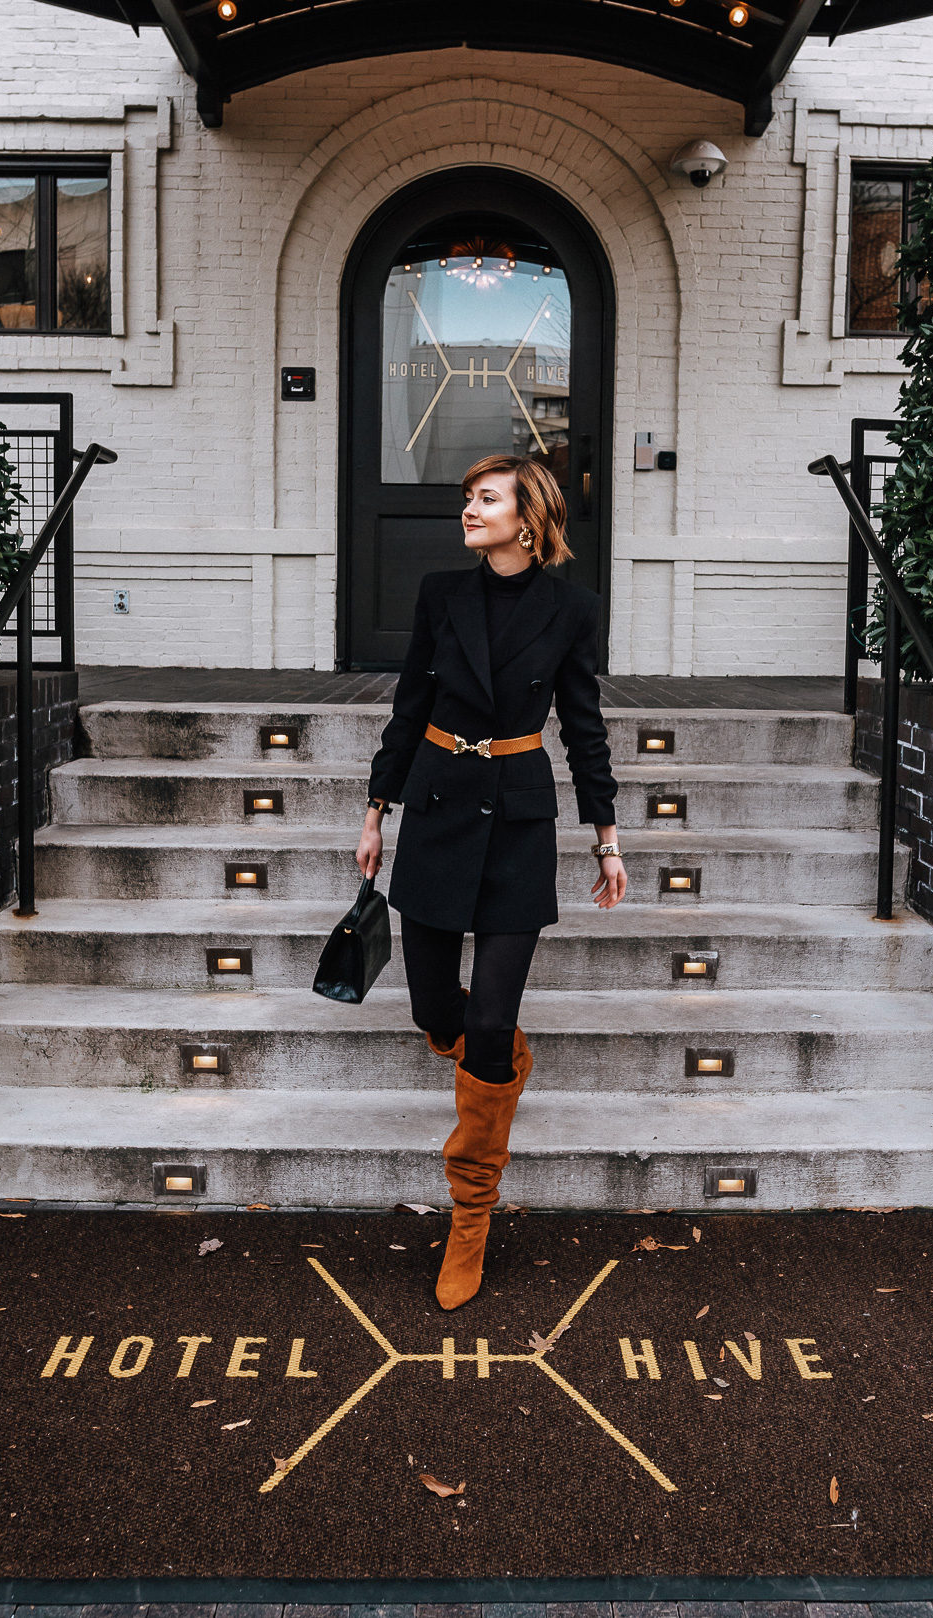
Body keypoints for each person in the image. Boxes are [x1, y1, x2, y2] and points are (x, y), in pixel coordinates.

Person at [356, 452, 626, 1310]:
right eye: (468, 499)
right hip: (436, 807)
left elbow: (583, 726)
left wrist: (607, 841)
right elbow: (410, 707)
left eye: (486, 499)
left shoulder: (573, 610)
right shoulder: (441, 593)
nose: (469, 510)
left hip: (516, 822)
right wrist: (376, 811)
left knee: (487, 1016)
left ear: (528, 514)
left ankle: (469, 1215)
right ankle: (496, 1062)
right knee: (436, 1010)